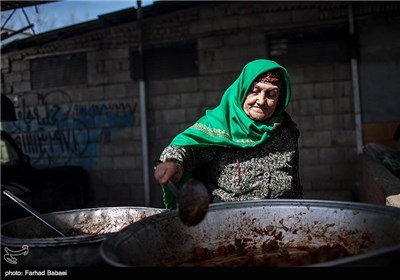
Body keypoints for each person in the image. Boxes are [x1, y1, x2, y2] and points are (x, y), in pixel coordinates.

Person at [154, 59, 302, 209]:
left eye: (271, 94)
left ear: (280, 98)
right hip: (230, 223)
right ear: (242, 90)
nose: (261, 100)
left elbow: (295, 186)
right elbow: (186, 149)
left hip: (281, 222)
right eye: (254, 91)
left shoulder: (286, 132)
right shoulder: (220, 126)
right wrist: (173, 163)